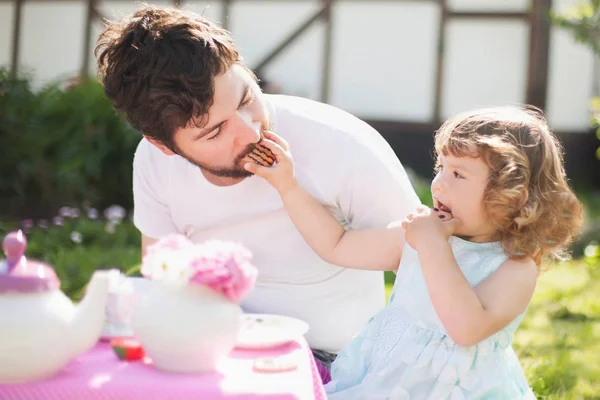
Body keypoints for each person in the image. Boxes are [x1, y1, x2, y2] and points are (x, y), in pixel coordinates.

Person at [94, 5, 420, 366]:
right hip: (216, 354)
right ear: (163, 145)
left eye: (246, 98)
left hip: (340, 364)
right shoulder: (153, 162)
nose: (250, 130)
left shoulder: (342, 144)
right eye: (215, 131)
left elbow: (423, 258)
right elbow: (163, 274)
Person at [245, 106, 583, 399]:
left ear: (510, 193)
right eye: (441, 168)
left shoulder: (514, 266)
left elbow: (466, 328)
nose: (438, 183)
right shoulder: (419, 233)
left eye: (458, 174)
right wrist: (287, 185)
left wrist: (434, 245)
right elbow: (338, 245)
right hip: (384, 384)